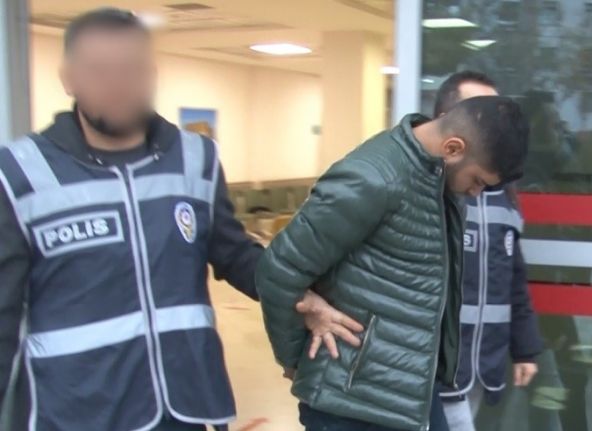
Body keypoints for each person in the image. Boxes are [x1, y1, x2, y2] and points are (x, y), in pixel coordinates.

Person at [0, 8, 360, 431]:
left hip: (181, 404)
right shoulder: (20, 174)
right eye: (99, 70)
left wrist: (300, 296)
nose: (117, 84)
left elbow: (235, 256)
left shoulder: (195, 159)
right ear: (69, 78)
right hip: (76, 409)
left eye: (131, 69)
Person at [256, 95, 530, 431]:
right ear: (453, 148)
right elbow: (278, 268)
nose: (475, 193)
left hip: (407, 393)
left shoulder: (435, 179)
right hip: (350, 405)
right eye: (478, 181)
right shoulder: (374, 177)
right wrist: (294, 359)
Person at [432, 71, 543, 431]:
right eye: (481, 112)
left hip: (485, 364)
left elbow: (514, 279)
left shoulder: (504, 196)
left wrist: (525, 349)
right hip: (438, 369)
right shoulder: (428, 189)